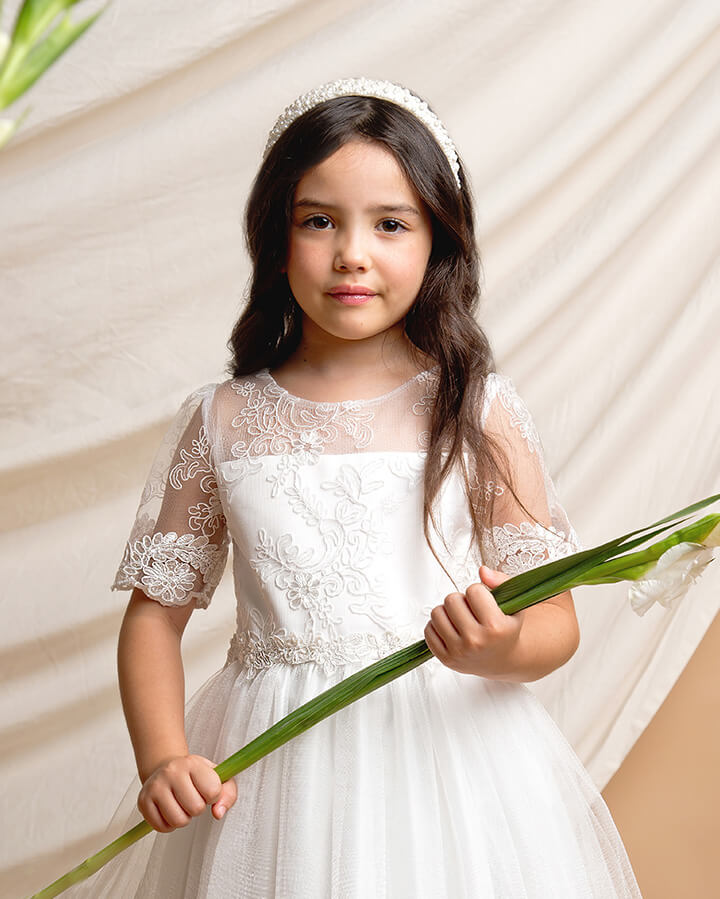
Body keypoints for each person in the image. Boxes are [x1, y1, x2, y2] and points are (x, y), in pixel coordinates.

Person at [69, 78, 642, 897]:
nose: (352, 253)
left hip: (449, 765)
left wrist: (501, 645)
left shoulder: (475, 408)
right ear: (275, 238)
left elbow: (555, 617)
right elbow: (153, 619)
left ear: (439, 243)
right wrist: (163, 756)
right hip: (274, 775)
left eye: (390, 224)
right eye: (319, 221)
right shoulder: (222, 419)